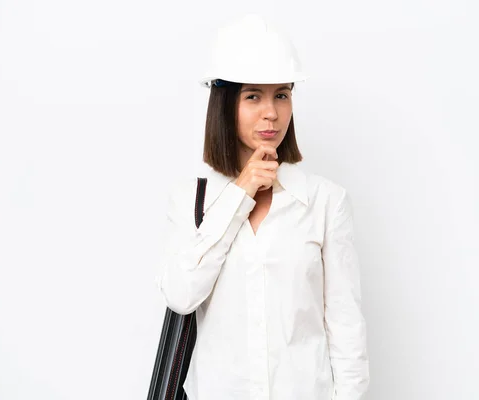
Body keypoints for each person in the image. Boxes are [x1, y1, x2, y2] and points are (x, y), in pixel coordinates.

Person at [157, 14, 369, 400]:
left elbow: (347, 333)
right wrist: (240, 193)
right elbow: (181, 294)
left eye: (282, 94)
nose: (271, 112)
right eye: (253, 95)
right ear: (223, 102)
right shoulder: (191, 200)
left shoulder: (325, 202)